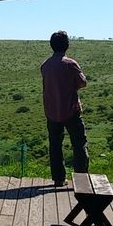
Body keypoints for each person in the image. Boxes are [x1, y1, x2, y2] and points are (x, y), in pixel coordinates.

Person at [41, 31, 89, 187]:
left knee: (55, 145)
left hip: (52, 111)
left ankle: (59, 179)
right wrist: (71, 88)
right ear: (67, 45)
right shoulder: (70, 64)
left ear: (52, 45)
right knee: (79, 144)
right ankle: (81, 180)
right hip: (71, 110)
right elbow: (83, 82)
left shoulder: (45, 65)